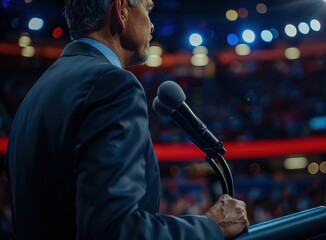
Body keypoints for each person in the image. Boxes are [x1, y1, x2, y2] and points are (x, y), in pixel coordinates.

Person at [5, 0, 249, 239]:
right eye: (147, 9)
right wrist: (210, 227)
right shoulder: (112, 84)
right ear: (121, 11)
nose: (152, 25)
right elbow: (115, 229)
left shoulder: (33, 97)